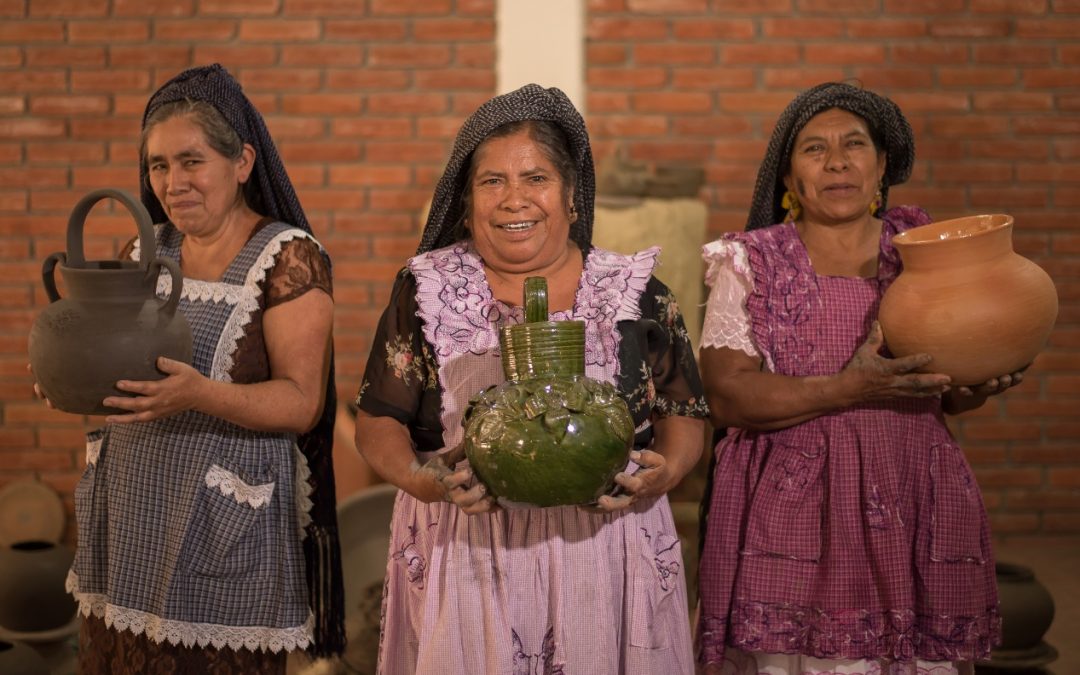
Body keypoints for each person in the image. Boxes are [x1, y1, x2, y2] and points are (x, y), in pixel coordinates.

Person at [353, 84, 709, 674]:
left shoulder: (633, 293)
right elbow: (377, 420)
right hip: (467, 548)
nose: (514, 199)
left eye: (536, 179)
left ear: (572, 197)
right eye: (492, 181)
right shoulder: (428, 292)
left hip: (607, 549)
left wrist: (664, 472)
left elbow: (685, 414)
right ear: (466, 204)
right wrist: (426, 481)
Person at [695, 82, 1023, 675]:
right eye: (814, 150)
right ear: (790, 179)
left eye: (854, 146)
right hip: (793, 506)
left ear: (881, 168)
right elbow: (726, 397)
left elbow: (942, 391)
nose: (837, 161)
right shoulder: (751, 262)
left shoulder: (924, 256)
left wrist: (974, 383)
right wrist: (849, 388)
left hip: (911, 488)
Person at [52, 64, 345, 673]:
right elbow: (117, 369)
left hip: (223, 526)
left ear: (241, 161)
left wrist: (199, 395)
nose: (172, 182)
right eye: (158, 165)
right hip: (133, 514)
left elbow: (301, 403)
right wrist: (67, 372)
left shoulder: (287, 258)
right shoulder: (147, 249)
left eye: (191, 161)